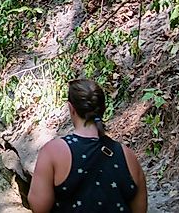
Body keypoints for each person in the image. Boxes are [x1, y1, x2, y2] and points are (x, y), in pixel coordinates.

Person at [28, 78, 147, 213]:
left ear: (71, 108)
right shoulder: (128, 156)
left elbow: (39, 207)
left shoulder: (52, 152)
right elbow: (140, 209)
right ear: (103, 108)